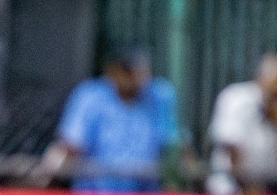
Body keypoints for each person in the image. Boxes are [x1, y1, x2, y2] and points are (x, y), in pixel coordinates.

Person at [38, 48, 178, 192]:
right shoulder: (91, 95)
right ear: (113, 71)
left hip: (143, 190)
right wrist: (46, 175)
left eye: (142, 72)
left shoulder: (158, 96)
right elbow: (69, 145)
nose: (136, 79)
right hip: (95, 190)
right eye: (129, 71)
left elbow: (172, 145)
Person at [207, 51, 277, 194]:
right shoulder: (236, 98)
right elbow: (232, 152)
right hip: (232, 186)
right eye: (276, 84)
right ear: (260, 79)